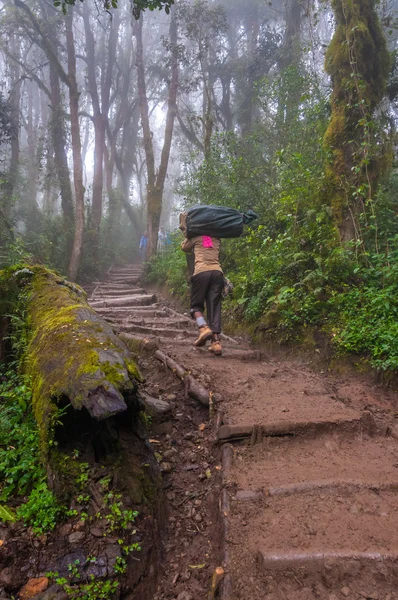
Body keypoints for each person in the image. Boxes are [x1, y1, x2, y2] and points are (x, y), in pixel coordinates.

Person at [181, 232, 224, 356]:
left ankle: (203, 328)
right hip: (217, 273)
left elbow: (184, 247)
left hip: (201, 272)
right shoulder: (217, 237)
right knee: (214, 307)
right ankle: (216, 343)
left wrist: (188, 234)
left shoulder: (195, 237)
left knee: (196, 306)